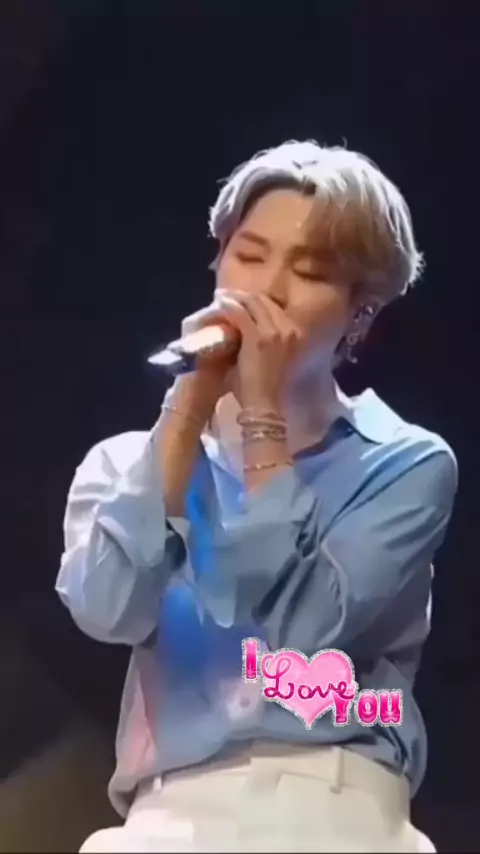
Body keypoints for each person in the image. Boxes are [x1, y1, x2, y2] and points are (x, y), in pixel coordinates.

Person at [56, 140, 457, 853]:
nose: (266, 289)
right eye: (247, 255)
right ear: (217, 263)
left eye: (309, 272)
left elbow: (303, 630)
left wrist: (262, 414)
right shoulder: (122, 463)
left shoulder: (404, 462)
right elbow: (106, 608)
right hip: (165, 811)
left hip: (330, 800)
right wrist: (187, 410)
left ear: (359, 313)